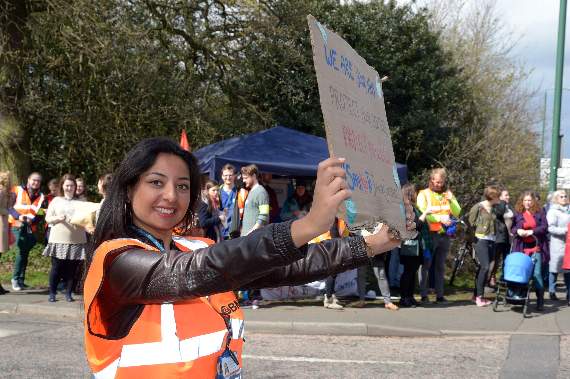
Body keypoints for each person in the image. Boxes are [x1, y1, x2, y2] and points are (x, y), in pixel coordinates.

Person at [83, 137, 408, 378]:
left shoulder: (194, 247)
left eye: (183, 186)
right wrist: (308, 224)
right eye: (156, 182)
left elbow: (294, 265)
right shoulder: (116, 261)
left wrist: (375, 242)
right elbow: (196, 271)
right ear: (127, 190)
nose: (171, 195)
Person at [416, 168, 461, 303]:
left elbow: (457, 211)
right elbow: (422, 212)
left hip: (444, 235)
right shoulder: (423, 194)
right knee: (426, 264)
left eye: (441, 182)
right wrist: (439, 219)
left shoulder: (447, 194)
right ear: (431, 180)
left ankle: (440, 295)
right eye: (436, 182)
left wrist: (451, 199)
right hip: (429, 234)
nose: (438, 185)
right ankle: (423, 294)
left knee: (440, 266)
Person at [43, 174, 87, 302]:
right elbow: (48, 218)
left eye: (72, 185)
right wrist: (58, 218)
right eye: (67, 185)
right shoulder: (56, 200)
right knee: (57, 267)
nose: (69, 188)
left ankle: (68, 293)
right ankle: (52, 293)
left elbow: (87, 219)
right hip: (58, 239)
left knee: (72, 269)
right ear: (62, 186)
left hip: (76, 239)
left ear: (75, 187)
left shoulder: (82, 201)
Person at [512, 191, 549, 311]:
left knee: (537, 273)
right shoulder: (517, 213)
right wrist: (518, 231)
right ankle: (520, 298)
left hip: (537, 246)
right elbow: (512, 228)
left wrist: (533, 231)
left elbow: (544, 227)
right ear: (522, 201)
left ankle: (540, 299)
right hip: (521, 247)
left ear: (533, 201)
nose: (527, 202)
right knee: (522, 272)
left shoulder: (540, 212)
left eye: (529, 200)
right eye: (525, 200)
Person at [8, 172, 45, 291]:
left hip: (29, 227)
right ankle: (15, 278)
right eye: (34, 180)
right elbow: (9, 206)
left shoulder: (41, 196)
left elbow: (41, 213)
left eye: (38, 181)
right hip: (16, 225)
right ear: (28, 180)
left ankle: (21, 280)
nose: (36, 182)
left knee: (25, 252)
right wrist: (19, 217)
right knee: (21, 250)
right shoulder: (17, 190)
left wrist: (32, 221)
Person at [400, 183, 432, 308]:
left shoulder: (414, 207)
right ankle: (404, 298)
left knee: (412, 271)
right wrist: (425, 215)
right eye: (416, 192)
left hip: (417, 244)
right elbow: (414, 226)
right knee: (408, 271)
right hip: (409, 244)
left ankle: (410, 296)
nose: (418, 195)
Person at [469, 186, 501, 307]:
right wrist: (476, 234)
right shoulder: (478, 207)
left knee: (484, 268)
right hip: (480, 240)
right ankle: (479, 297)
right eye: (498, 196)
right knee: (485, 267)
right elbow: (470, 222)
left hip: (491, 240)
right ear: (493, 196)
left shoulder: (494, 208)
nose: (500, 199)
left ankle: (475, 295)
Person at [311, 218, 349, 310]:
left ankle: (330, 295)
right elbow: (336, 233)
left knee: (332, 273)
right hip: (329, 246)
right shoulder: (334, 217)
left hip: (324, 245)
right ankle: (328, 299)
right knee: (332, 273)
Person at [546, 190, 570, 301]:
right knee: (554, 268)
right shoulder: (553, 211)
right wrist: (566, 230)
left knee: (568, 269)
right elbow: (550, 228)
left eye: (565, 196)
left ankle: (569, 293)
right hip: (557, 243)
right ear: (556, 198)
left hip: (569, 244)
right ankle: (552, 291)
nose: (564, 198)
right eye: (561, 196)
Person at [489, 189, 514, 287]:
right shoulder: (497, 206)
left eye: (508, 195)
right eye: (506, 195)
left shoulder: (509, 206)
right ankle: (491, 277)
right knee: (495, 258)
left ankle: (505, 278)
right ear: (500, 197)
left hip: (509, 237)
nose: (508, 197)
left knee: (507, 259)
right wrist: (502, 202)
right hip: (499, 236)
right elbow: (499, 213)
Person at [240, 164, 270, 236]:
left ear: (253, 176)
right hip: (248, 238)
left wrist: (251, 233)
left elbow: (264, 215)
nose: (243, 181)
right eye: (243, 178)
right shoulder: (251, 191)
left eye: (246, 178)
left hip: (254, 239)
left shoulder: (261, 192)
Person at [0, 171, 14, 294]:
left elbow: (11, 206)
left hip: (3, 226)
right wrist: (7, 211)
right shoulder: (0, 191)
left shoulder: (7, 193)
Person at [219, 164, 238, 239]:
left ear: (234, 176)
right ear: (222, 176)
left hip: (235, 233)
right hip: (220, 233)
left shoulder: (240, 192)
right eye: (225, 175)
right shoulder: (217, 192)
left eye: (230, 175)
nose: (228, 178)